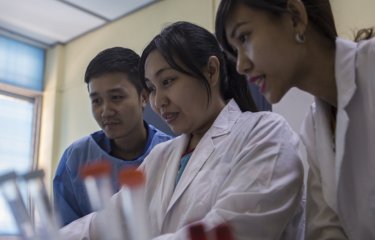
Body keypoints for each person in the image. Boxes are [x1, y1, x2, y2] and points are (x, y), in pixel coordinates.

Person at [59, 21, 304, 239]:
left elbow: (232, 229)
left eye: (167, 81)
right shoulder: (161, 156)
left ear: (211, 71)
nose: (158, 102)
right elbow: (106, 223)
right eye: (152, 88)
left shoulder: (264, 132)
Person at [215, 0, 375, 239]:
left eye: (244, 37)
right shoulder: (314, 127)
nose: (240, 66)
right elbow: (326, 230)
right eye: (234, 51)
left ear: (294, 17)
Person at [53, 47, 173, 226]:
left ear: (143, 97)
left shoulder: (172, 152)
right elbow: (65, 231)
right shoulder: (76, 158)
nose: (106, 111)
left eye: (116, 97)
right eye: (96, 101)